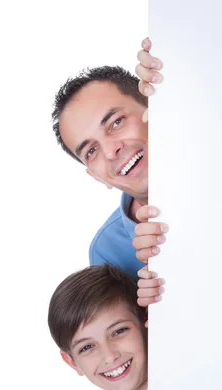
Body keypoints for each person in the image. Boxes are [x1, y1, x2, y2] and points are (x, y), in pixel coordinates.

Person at [51, 39, 167, 306]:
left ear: (152, 107)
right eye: (91, 151)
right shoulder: (106, 252)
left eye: (116, 122)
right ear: (96, 176)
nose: (112, 151)